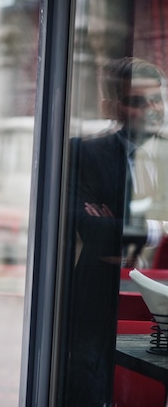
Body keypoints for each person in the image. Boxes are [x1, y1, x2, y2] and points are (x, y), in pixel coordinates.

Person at [65, 57, 168, 406]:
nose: (153, 109)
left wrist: (122, 229)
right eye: (138, 101)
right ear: (113, 107)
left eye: (157, 99)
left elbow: (108, 229)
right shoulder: (85, 153)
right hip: (98, 299)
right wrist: (160, 229)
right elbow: (88, 227)